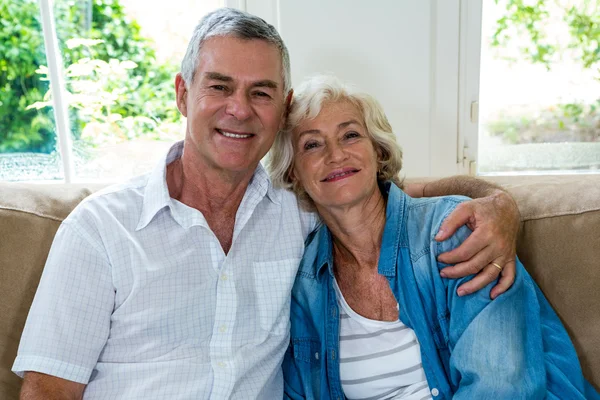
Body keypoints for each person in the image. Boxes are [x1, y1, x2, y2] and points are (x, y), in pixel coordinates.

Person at [13, 8, 520, 399]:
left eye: (261, 92)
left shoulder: (296, 207)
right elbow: (48, 389)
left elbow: (385, 191)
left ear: (282, 108)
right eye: (220, 87)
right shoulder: (100, 232)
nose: (239, 108)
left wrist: (499, 205)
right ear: (183, 94)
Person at [270, 75, 600, 400]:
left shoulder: (454, 230)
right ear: (293, 171)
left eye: (351, 135)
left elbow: (502, 386)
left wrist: (499, 201)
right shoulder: (305, 280)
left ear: (379, 152)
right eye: (312, 144)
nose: (336, 154)